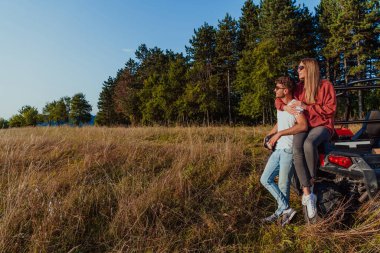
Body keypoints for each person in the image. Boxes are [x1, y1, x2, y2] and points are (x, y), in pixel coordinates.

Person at [275, 58, 337, 219]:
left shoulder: (325, 85)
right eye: (298, 67)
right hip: (305, 125)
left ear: (310, 69)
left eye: (301, 67)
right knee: (297, 147)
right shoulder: (298, 88)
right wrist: (284, 106)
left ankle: (311, 182)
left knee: (309, 143)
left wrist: (306, 107)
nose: (298, 70)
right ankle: (307, 193)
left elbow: (330, 110)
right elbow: (279, 97)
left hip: (322, 126)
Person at [260, 76, 308, 226]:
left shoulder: (295, 105)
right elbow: (279, 122)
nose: (275, 90)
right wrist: (270, 134)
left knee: (283, 184)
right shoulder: (281, 104)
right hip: (278, 149)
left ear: (286, 90)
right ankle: (285, 209)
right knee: (265, 179)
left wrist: (280, 134)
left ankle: (282, 213)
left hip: (288, 150)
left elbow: (302, 125)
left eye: (277, 88)